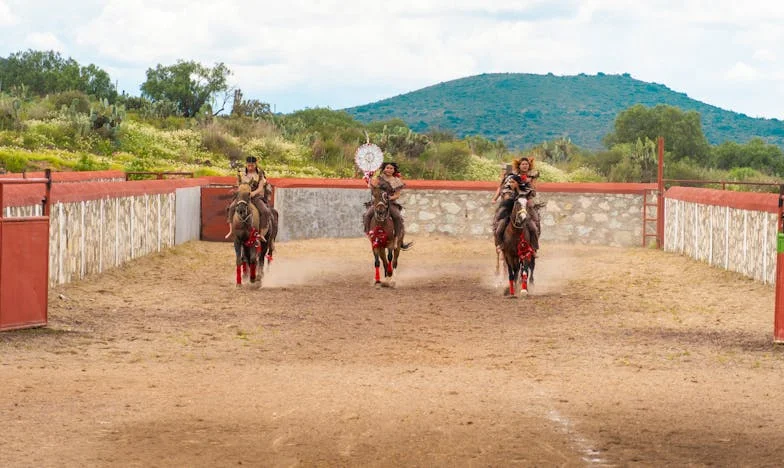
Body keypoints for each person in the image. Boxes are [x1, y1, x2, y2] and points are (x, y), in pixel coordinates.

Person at [225, 155, 273, 239]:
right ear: (246, 164)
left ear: (255, 164)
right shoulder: (242, 174)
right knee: (231, 207)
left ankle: (262, 233)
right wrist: (240, 191)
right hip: (242, 196)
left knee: (265, 211)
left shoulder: (260, 174)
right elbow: (238, 185)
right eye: (248, 165)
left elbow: (260, 188)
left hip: (255, 197)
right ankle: (231, 230)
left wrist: (253, 193)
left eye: (252, 165)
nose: (250, 167)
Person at [363, 162, 407, 245]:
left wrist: (389, 198)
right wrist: (370, 179)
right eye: (387, 168)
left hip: (390, 203)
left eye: (391, 168)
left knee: (397, 216)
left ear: (394, 170)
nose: (389, 170)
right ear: (384, 169)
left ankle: (397, 237)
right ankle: (368, 233)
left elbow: (397, 195)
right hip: (377, 202)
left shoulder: (397, 181)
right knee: (367, 215)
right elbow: (373, 189)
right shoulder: (378, 179)